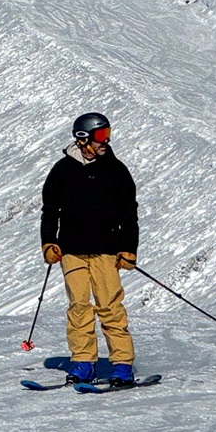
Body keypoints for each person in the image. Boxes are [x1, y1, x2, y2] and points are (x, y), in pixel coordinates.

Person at [40, 112, 140, 386]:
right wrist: (49, 242)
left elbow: (129, 213)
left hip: (106, 251)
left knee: (110, 307)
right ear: (82, 139)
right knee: (79, 306)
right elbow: (49, 211)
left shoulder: (116, 171)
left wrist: (128, 248)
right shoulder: (62, 170)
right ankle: (83, 362)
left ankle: (121, 364)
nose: (105, 141)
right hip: (71, 251)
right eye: (100, 136)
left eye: (107, 135)